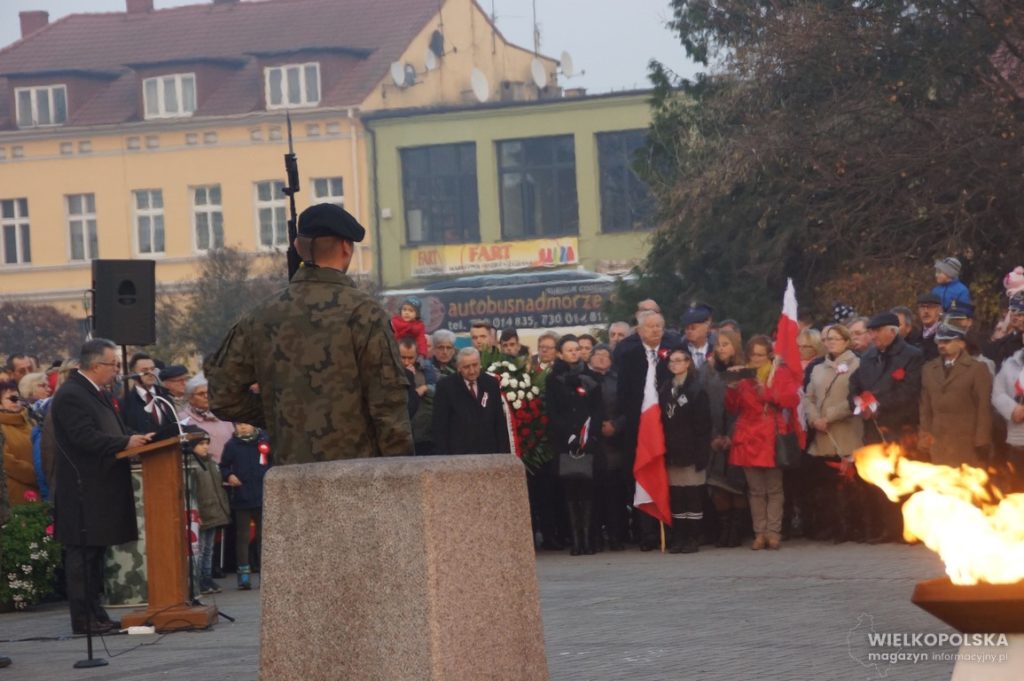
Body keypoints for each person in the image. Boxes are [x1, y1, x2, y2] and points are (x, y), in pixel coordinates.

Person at [206, 203, 412, 464]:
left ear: (297, 247)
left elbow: (222, 396)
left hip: (290, 474)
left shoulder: (260, 316)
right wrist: (401, 471)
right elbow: (388, 404)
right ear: (346, 247)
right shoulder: (363, 312)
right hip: (357, 474)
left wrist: (283, 415)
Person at [51, 339, 153, 634]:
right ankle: (84, 619)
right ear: (96, 365)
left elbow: (115, 429)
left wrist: (140, 439)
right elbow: (84, 437)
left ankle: (96, 614)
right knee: (83, 555)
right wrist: (124, 442)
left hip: (101, 488)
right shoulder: (71, 395)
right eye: (113, 365)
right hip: (83, 490)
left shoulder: (98, 393)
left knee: (95, 556)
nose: (117, 370)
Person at [847, 312, 923, 543]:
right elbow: (855, 384)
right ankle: (886, 528)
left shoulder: (912, 355)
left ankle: (910, 528)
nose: (873, 336)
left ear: (892, 331)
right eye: (871, 332)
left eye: (877, 331)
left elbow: (910, 391)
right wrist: (858, 404)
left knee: (904, 476)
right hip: (873, 427)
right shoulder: (868, 356)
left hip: (900, 427)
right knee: (878, 478)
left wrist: (879, 404)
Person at [725, 335, 801, 550]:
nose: (756, 359)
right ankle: (759, 533)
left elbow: (791, 399)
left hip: (770, 435)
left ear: (769, 355)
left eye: (760, 355)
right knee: (756, 489)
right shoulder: (743, 375)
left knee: (774, 488)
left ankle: (773, 532)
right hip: (748, 436)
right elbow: (732, 407)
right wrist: (731, 388)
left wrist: (764, 391)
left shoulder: (779, 373)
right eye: (752, 355)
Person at [617, 311, 676, 550]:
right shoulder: (629, 356)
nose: (655, 330)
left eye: (659, 326)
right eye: (650, 326)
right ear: (639, 330)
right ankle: (647, 533)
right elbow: (623, 393)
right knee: (643, 476)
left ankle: (669, 529)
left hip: (668, 426)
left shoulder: (672, 353)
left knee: (665, 478)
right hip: (639, 429)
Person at [803, 324, 863, 542]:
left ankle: (852, 526)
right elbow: (808, 397)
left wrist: (829, 417)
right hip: (822, 434)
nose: (831, 342)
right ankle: (832, 525)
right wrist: (813, 418)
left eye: (836, 338)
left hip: (846, 431)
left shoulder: (857, 364)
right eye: (828, 339)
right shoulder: (818, 368)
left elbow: (855, 397)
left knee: (849, 485)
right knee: (826, 485)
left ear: (846, 341)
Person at [545, 335, 603, 555]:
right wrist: (569, 435)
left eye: (577, 349)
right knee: (571, 491)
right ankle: (576, 541)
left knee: (588, 490)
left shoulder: (590, 377)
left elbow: (597, 409)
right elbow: (553, 411)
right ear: (560, 354)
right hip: (565, 441)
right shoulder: (554, 379)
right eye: (569, 350)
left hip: (588, 440)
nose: (574, 353)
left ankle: (589, 539)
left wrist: (588, 433)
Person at [659, 347, 712, 554]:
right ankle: (679, 536)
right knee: (677, 495)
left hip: (691, 450)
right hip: (672, 450)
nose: (675, 364)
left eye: (679, 360)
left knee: (692, 494)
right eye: (671, 361)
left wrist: (701, 453)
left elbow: (703, 425)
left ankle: (693, 536)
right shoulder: (665, 388)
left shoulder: (696, 389)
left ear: (688, 363)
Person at [919, 324, 993, 467]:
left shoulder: (977, 369)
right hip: (937, 441)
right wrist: (924, 435)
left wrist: (982, 440)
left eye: (947, 341)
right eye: (939, 341)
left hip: (965, 441)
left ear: (961, 343)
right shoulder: (929, 369)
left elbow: (983, 407)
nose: (942, 345)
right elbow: (925, 407)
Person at [705, 329, 747, 548]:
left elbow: (745, 409)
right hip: (715, 435)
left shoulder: (743, 371)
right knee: (718, 487)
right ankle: (724, 529)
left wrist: (732, 436)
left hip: (738, 436)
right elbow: (705, 407)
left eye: (725, 344)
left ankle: (736, 531)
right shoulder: (710, 373)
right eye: (718, 344)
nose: (721, 348)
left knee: (736, 485)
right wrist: (713, 436)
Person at [587, 344, 628, 550]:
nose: (602, 358)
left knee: (615, 494)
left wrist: (616, 425)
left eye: (606, 355)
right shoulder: (584, 379)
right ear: (590, 358)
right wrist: (597, 426)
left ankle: (616, 536)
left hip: (615, 443)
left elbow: (628, 408)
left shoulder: (619, 380)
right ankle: (594, 537)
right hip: (592, 442)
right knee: (594, 494)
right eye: (598, 355)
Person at [220, 423, 271, 590]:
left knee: (263, 537)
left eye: (246, 423)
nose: (242, 427)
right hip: (241, 496)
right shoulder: (232, 445)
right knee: (242, 536)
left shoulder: (264, 441)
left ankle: (266, 574)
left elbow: (272, 462)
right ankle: (243, 575)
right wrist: (229, 475)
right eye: (239, 424)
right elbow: (223, 466)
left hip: (262, 495)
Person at [431, 348, 509, 455]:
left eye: (475, 365)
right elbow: (440, 426)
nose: (472, 371)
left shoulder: (491, 383)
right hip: (458, 454)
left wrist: (503, 453)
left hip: (489, 452)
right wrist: (444, 457)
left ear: (480, 363)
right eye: (466, 367)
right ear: (458, 367)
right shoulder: (445, 387)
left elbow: (499, 421)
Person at [186, 428, 230, 595]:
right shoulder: (191, 464)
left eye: (207, 443)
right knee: (200, 547)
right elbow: (191, 491)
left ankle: (207, 576)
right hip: (201, 513)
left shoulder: (211, 463)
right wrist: (195, 513)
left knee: (209, 548)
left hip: (214, 511)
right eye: (201, 444)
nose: (205, 447)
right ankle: (198, 579)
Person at [178, 373, 234, 463]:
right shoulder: (182, 419)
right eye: (201, 394)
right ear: (190, 398)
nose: (206, 396)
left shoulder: (224, 413)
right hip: (205, 468)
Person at [1, 380, 38, 505]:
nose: (16, 401)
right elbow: (7, 462)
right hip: (16, 492)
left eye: (18, 397)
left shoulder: (31, 422)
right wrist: (36, 475)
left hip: (41, 487)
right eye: (12, 398)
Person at [398, 338, 438, 455]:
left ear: (417, 356)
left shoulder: (426, 370)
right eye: (403, 357)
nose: (406, 362)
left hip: (423, 433)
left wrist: (425, 388)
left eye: (410, 358)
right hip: (402, 432)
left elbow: (440, 387)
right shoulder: (392, 373)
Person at [992, 346, 1024, 487]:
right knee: (1017, 489)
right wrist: (1012, 409)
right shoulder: (1011, 363)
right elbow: (997, 393)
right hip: (1018, 440)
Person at [123, 353, 176, 436]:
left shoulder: (165, 396)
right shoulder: (125, 403)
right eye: (145, 371)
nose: (151, 373)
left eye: (152, 369)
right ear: (132, 374)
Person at [907, 293, 942, 362]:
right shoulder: (914, 337)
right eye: (922, 307)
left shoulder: (945, 337)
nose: (926, 311)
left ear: (939, 310)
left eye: (930, 307)